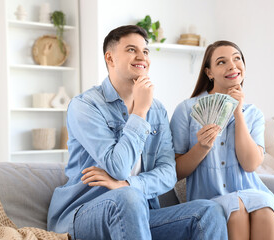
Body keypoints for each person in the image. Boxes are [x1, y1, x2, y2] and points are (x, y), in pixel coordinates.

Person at [47, 25, 228, 240]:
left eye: (145, 51)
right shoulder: (85, 106)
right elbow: (118, 167)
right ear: (110, 58)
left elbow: (168, 172)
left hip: (140, 212)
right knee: (129, 198)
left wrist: (128, 185)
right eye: (131, 50)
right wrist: (140, 110)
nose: (141, 56)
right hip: (82, 215)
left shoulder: (157, 109)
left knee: (208, 212)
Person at [170, 40, 274, 240]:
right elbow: (176, 171)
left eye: (237, 59)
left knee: (267, 210)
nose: (232, 66)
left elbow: (250, 164)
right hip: (209, 197)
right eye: (222, 62)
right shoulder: (187, 110)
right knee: (236, 210)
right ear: (209, 72)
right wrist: (202, 147)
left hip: (251, 190)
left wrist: (238, 112)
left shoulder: (253, 114)